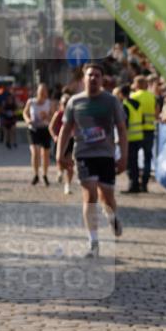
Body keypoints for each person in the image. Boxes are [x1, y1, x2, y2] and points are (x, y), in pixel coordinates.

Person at [56, 63, 127, 257]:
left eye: (97, 75)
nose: (93, 78)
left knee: (107, 196)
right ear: (84, 79)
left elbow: (122, 129)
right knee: (90, 196)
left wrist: (123, 157)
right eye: (90, 75)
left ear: (102, 79)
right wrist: (59, 154)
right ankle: (93, 241)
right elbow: (65, 129)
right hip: (84, 154)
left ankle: (112, 217)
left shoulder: (111, 101)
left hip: (106, 154)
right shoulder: (74, 102)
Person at [24, 83, 54, 186]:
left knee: (45, 154)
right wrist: (27, 120)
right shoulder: (31, 102)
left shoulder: (49, 103)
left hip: (45, 129)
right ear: (37, 91)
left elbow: (53, 116)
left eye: (44, 91)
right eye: (41, 91)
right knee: (35, 152)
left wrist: (47, 117)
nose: (42, 93)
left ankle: (45, 174)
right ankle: (36, 174)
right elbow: (25, 113)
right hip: (33, 129)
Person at [131, 75, 157, 192]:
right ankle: (144, 184)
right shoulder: (152, 96)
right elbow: (156, 112)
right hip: (149, 130)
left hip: (136, 131)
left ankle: (135, 182)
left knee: (134, 158)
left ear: (137, 84)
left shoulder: (134, 96)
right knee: (147, 158)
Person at [48, 93, 74, 195]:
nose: (66, 105)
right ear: (61, 104)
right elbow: (51, 127)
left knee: (70, 164)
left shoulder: (74, 115)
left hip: (71, 141)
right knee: (60, 161)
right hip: (60, 141)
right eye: (64, 103)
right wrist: (55, 136)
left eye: (68, 103)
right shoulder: (58, 114)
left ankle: (68, 185)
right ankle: (60, 171)